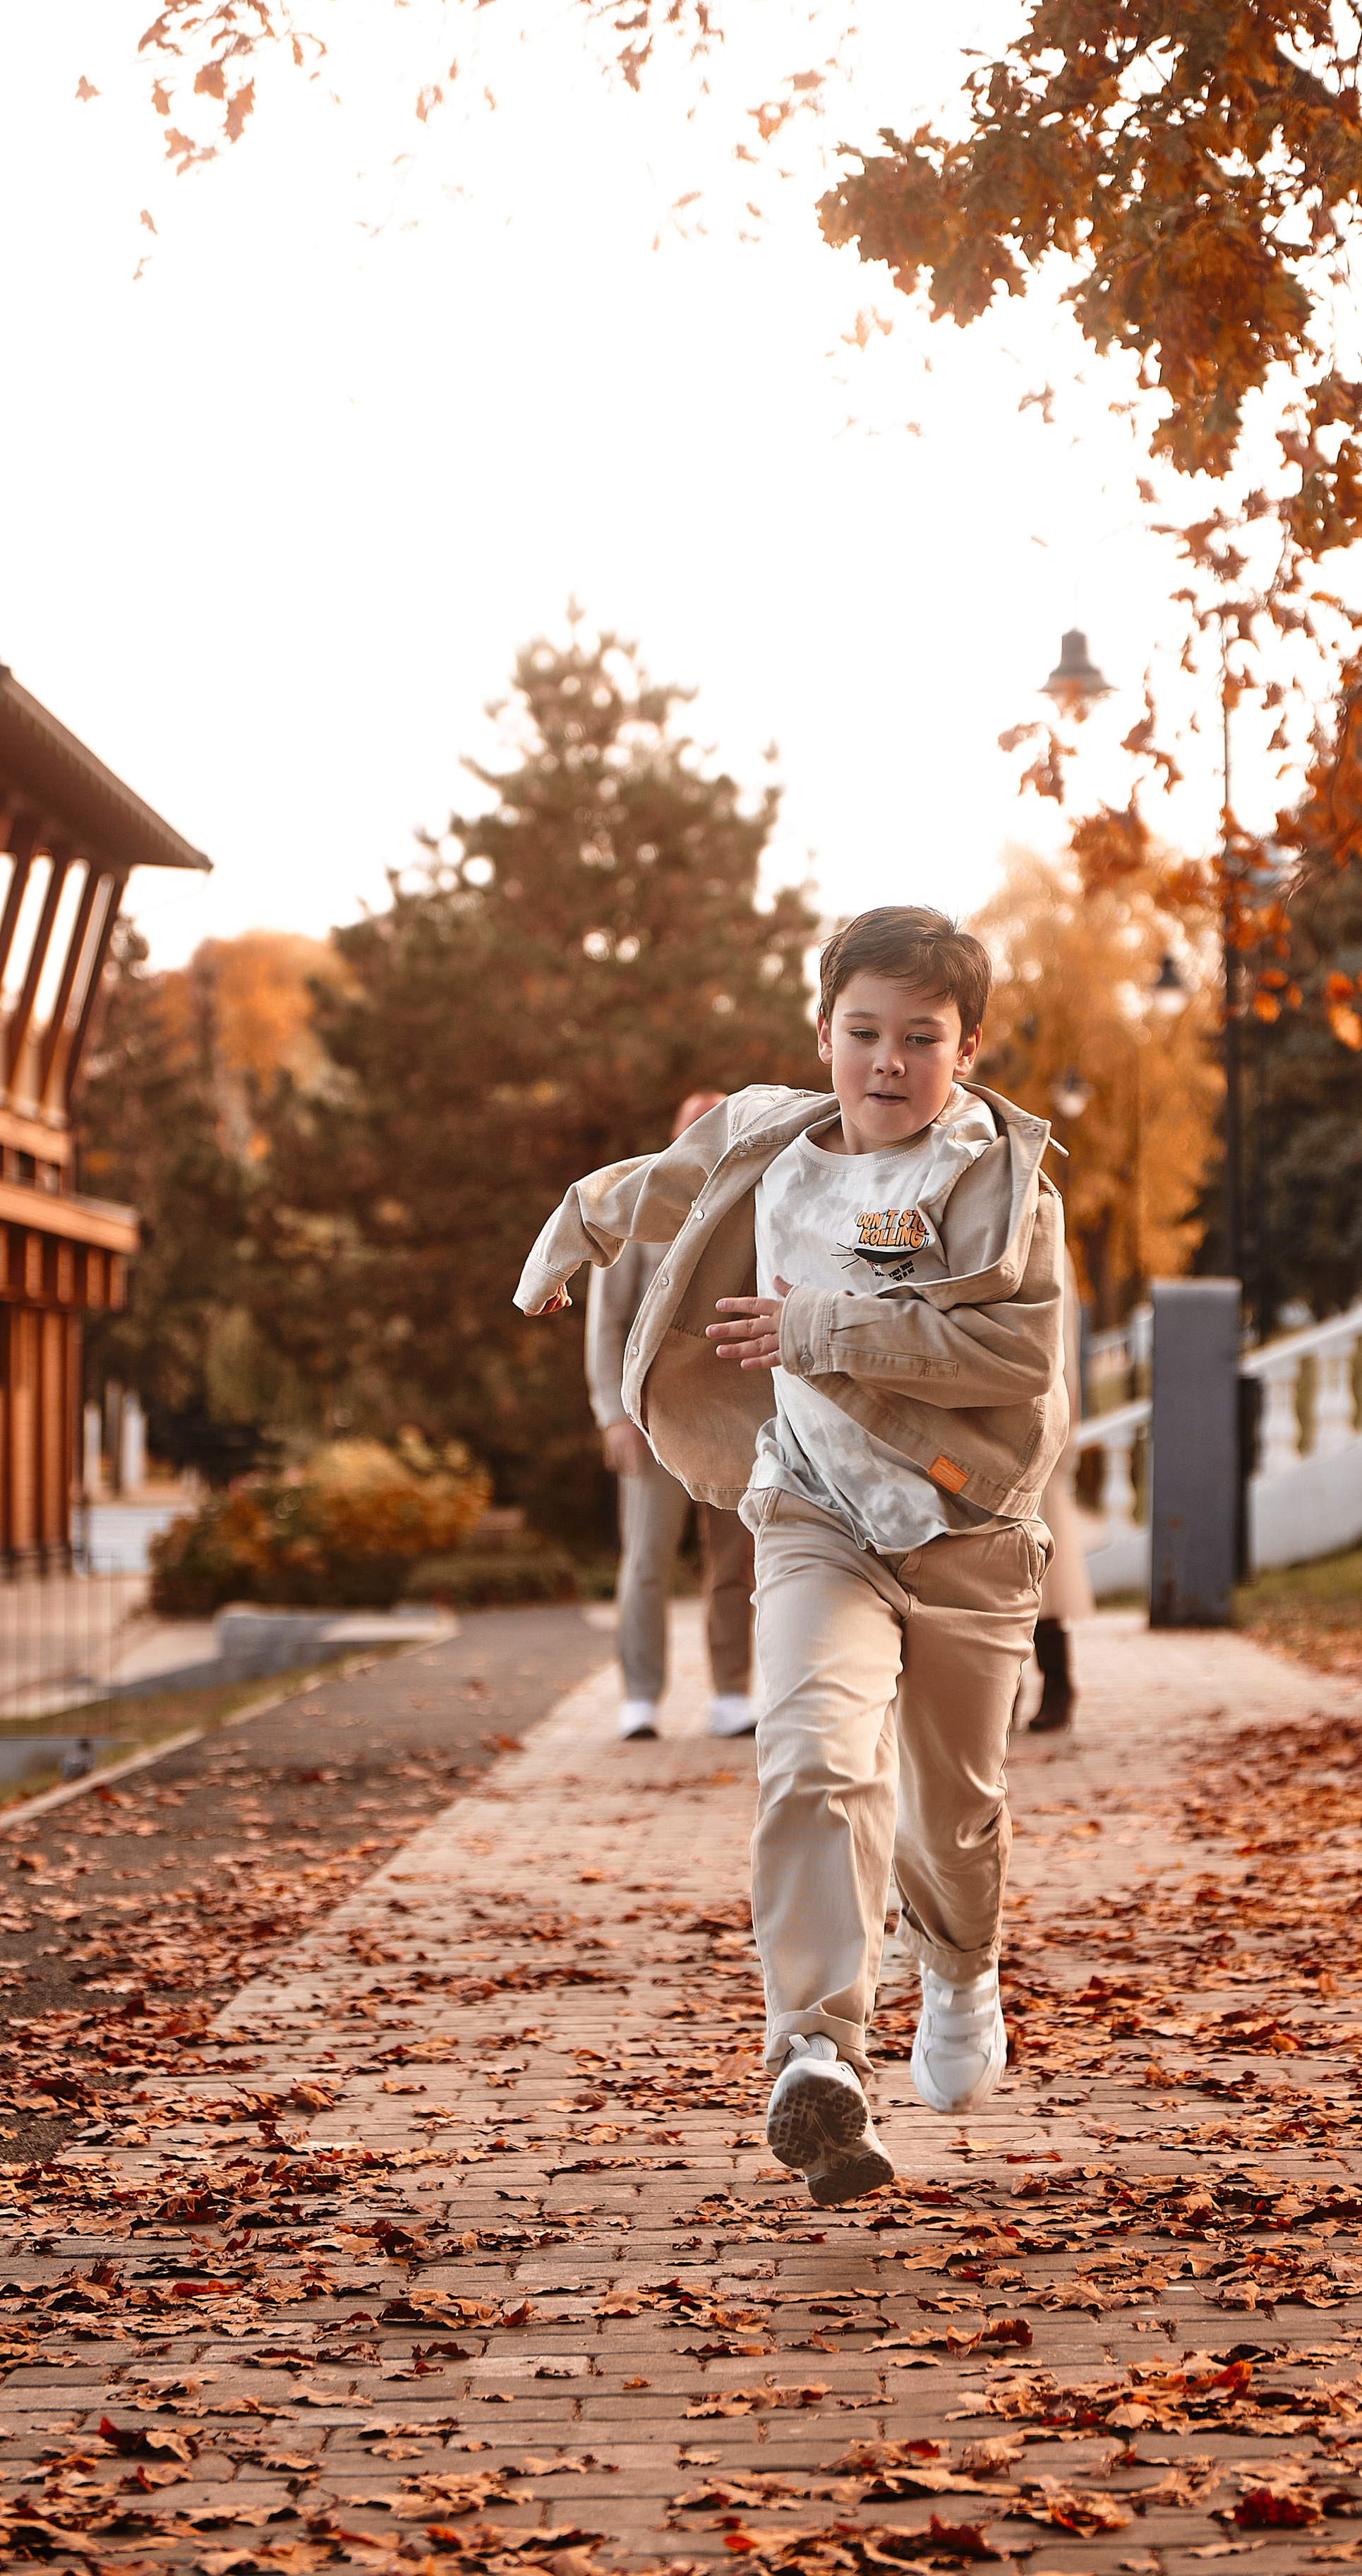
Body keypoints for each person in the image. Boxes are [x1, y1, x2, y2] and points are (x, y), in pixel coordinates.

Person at [517, 906, 1068, 2206]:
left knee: (955, 1815)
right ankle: (814, 2049)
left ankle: (960, 1967)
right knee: (814, 1753)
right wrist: (570, 1235)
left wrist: (822, 1324)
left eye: (919, 1040)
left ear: (966, 1047)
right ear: (824, 1032)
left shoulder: (1001, 1182)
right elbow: (666, 1177)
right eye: (863, 1032)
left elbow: (1018, 1359)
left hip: (967, 1528)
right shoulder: (772, 1136)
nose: (887, 1062)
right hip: (818, 1514)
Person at [586, 1088, 758, 1743]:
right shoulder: (643, 1208)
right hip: (653, 1418)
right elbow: (606, 1326)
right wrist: (613, 1415)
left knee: (734, 1563)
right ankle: (640, 1696)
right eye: (696, 1131)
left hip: (731, 1417)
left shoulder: (750, 1204)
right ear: (676, 1136)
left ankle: (733, 1694)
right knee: (648, 1560)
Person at [1027, 1254, 1092, 1731]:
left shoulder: (1048, 1236)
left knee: (1043, 1568)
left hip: (1036, 1415)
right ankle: (1002, 1691)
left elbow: (1062, 1342)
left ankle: (1058, 1681)